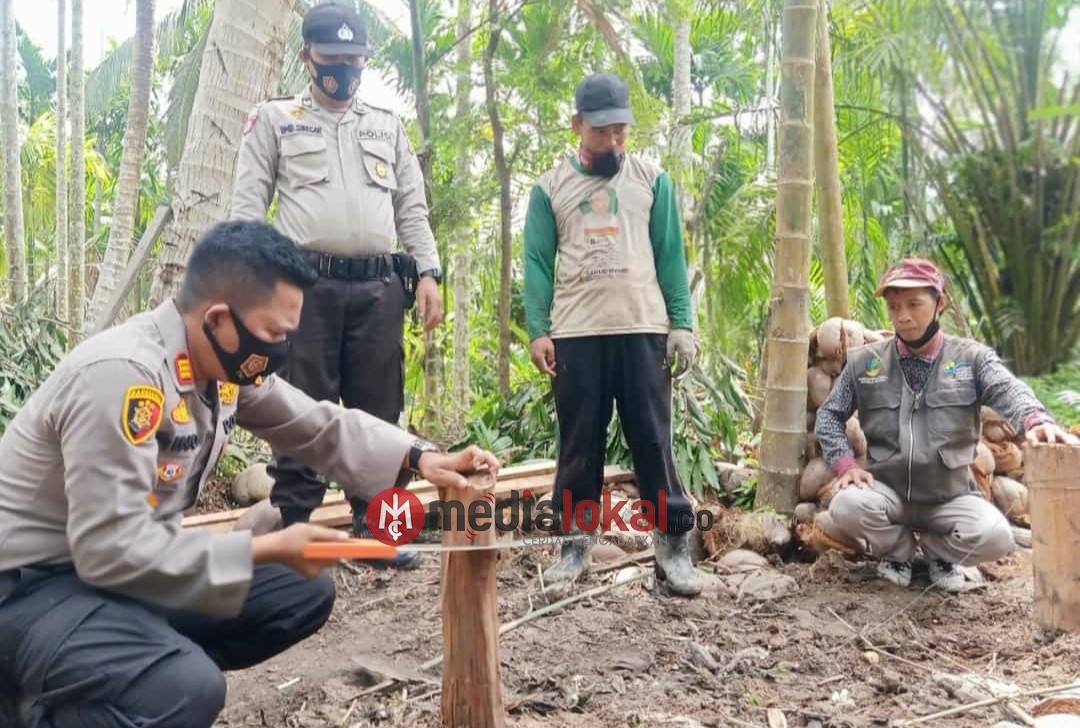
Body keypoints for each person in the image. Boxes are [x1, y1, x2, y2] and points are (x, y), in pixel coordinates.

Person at [0, 220, 498, 728]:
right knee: (190, 688)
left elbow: (314, 424)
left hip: (117, 578)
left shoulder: (219, 368)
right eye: (274, 334)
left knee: (299, 591)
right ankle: (43, 706)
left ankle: (131, 675)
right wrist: (266, 547)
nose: (281, 349)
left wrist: (420, 458)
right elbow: (111, 550)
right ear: (218, 319)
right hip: (31, 588)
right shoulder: (123, 376)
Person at [229, 2, 443, 569]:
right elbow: (248, 204)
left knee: (379, 410)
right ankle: (296, 532)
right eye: (333, 58)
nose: (345, 69)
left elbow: (412, 208)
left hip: (378, 289)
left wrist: (428, 272)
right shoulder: (276, 120)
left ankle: (377, 534)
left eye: (355, 59)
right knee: (301, 407)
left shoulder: (385, 125)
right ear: (307, 57)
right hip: (304, 290)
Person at [523, 72, 702, 596]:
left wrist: (681, 324)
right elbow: (537, 263)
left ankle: (672, 549)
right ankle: (575, 547)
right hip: (577, 333)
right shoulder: (550, 188)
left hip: (643, 329)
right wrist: (538, 330)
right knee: (579, 444)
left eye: (620, 129)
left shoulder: (651, 180)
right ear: (577, 124)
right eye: (601, 131)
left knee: (653, 439)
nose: (613, 140)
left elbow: (670, 255)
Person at [815, 257, 1078, 592]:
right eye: (894, 307)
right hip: (887, 493)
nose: (903, 316)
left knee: (996, 536)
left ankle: (939, 554)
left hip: (949, 499)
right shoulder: (866, 363)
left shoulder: (971, 359)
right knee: (845, 505)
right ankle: (898, 553)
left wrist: (1035, 419)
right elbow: (828, 415)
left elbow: (1008, 389)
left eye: (914, 304)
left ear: (940, 303)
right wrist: (845, 465)